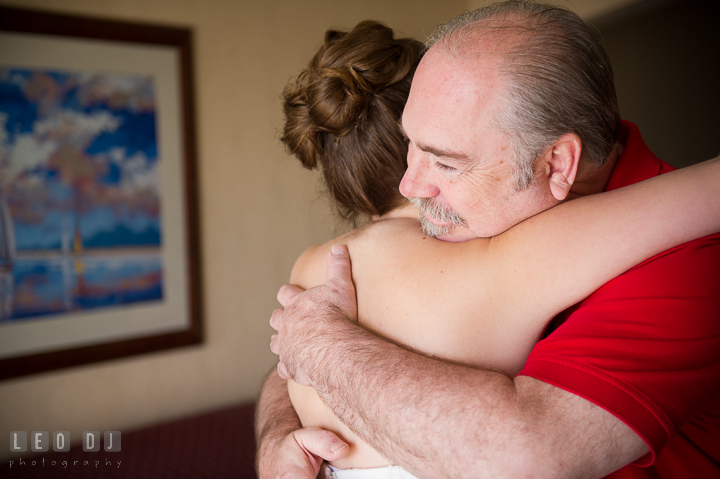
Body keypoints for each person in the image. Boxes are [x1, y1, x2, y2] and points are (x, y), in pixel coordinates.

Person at [261, 4, 720, 479]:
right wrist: (275, 435)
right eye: (409, 146)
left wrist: (322, 348)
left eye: (446, 162)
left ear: (558, 165)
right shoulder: (487, 236)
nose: (409, 186)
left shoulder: (684, 262)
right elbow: (287, 356)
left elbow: (518, 459)